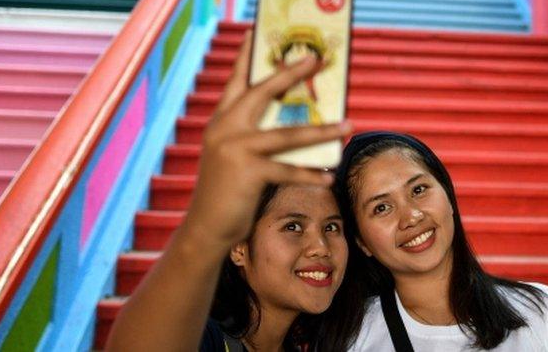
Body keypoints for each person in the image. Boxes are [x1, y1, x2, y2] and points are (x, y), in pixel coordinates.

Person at [106, 30, 360, 351]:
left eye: (332, 227)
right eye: (293, 226)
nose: (320, 246)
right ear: (238, 247)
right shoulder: (204, 339)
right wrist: (206, 231)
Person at [333, 131, 548, 350]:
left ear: (448, 196)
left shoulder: (541, 311)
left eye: (419, 190)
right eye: (382, 208)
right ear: (361, 242)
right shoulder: (352, 339)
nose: (411, 217)